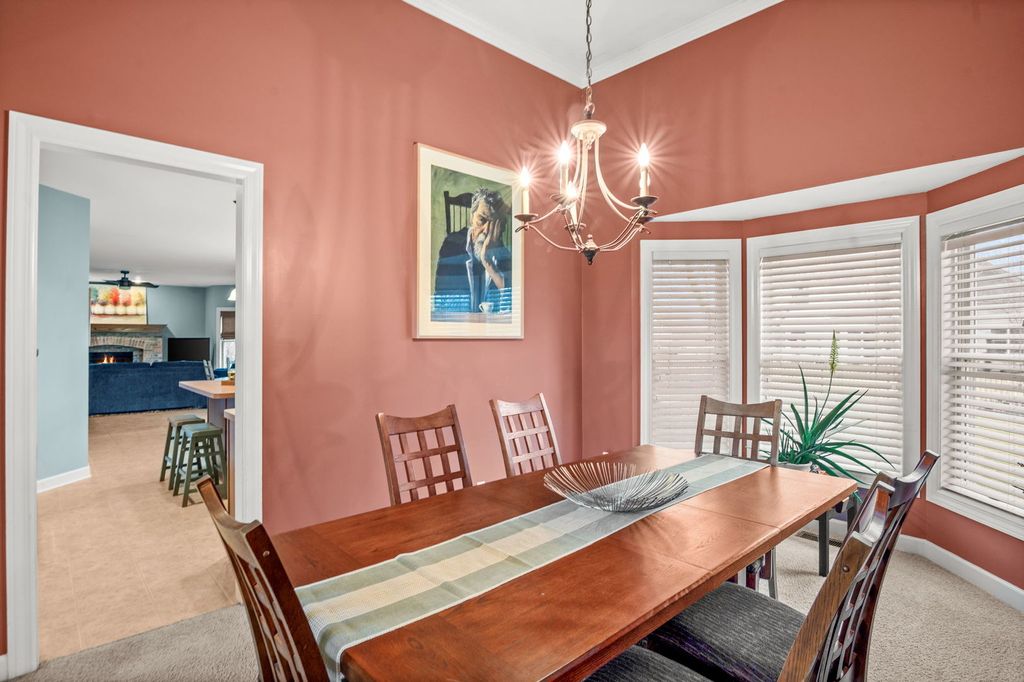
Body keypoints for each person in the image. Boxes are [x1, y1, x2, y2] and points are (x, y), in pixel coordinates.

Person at [433, 188, 512, 314]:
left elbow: (511, 305)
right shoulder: (451, 245)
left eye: (493, 224)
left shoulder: (504, 255)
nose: (486, 230)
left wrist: (488, 262)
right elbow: (442, 301)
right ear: (471, 217)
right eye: (482, 220)